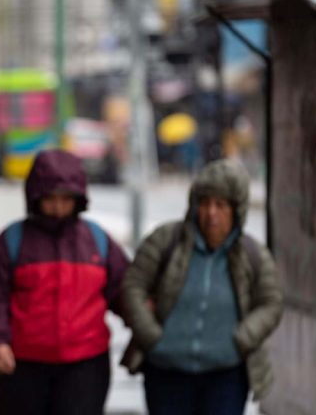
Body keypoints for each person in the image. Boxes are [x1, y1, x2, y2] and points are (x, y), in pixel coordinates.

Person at [120, 159, 283, 415]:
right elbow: (133, 285)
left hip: (225, 376)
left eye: (221, 205)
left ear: (236, 210)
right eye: (205, 203)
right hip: (167, 373)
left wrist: (242, 337)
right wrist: (151, 336)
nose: (211, 213)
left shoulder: (252, 254)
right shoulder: (165, 241)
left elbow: (271, 302)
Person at [0, 149, 129, 415]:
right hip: (22, 366)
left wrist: (147, 330)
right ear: (36, 196)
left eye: (65, 199)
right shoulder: (12, 242)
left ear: (77, 199)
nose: (58, 207)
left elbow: (126, 292)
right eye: (50, 199)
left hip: (85, 366)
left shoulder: (97, 241)